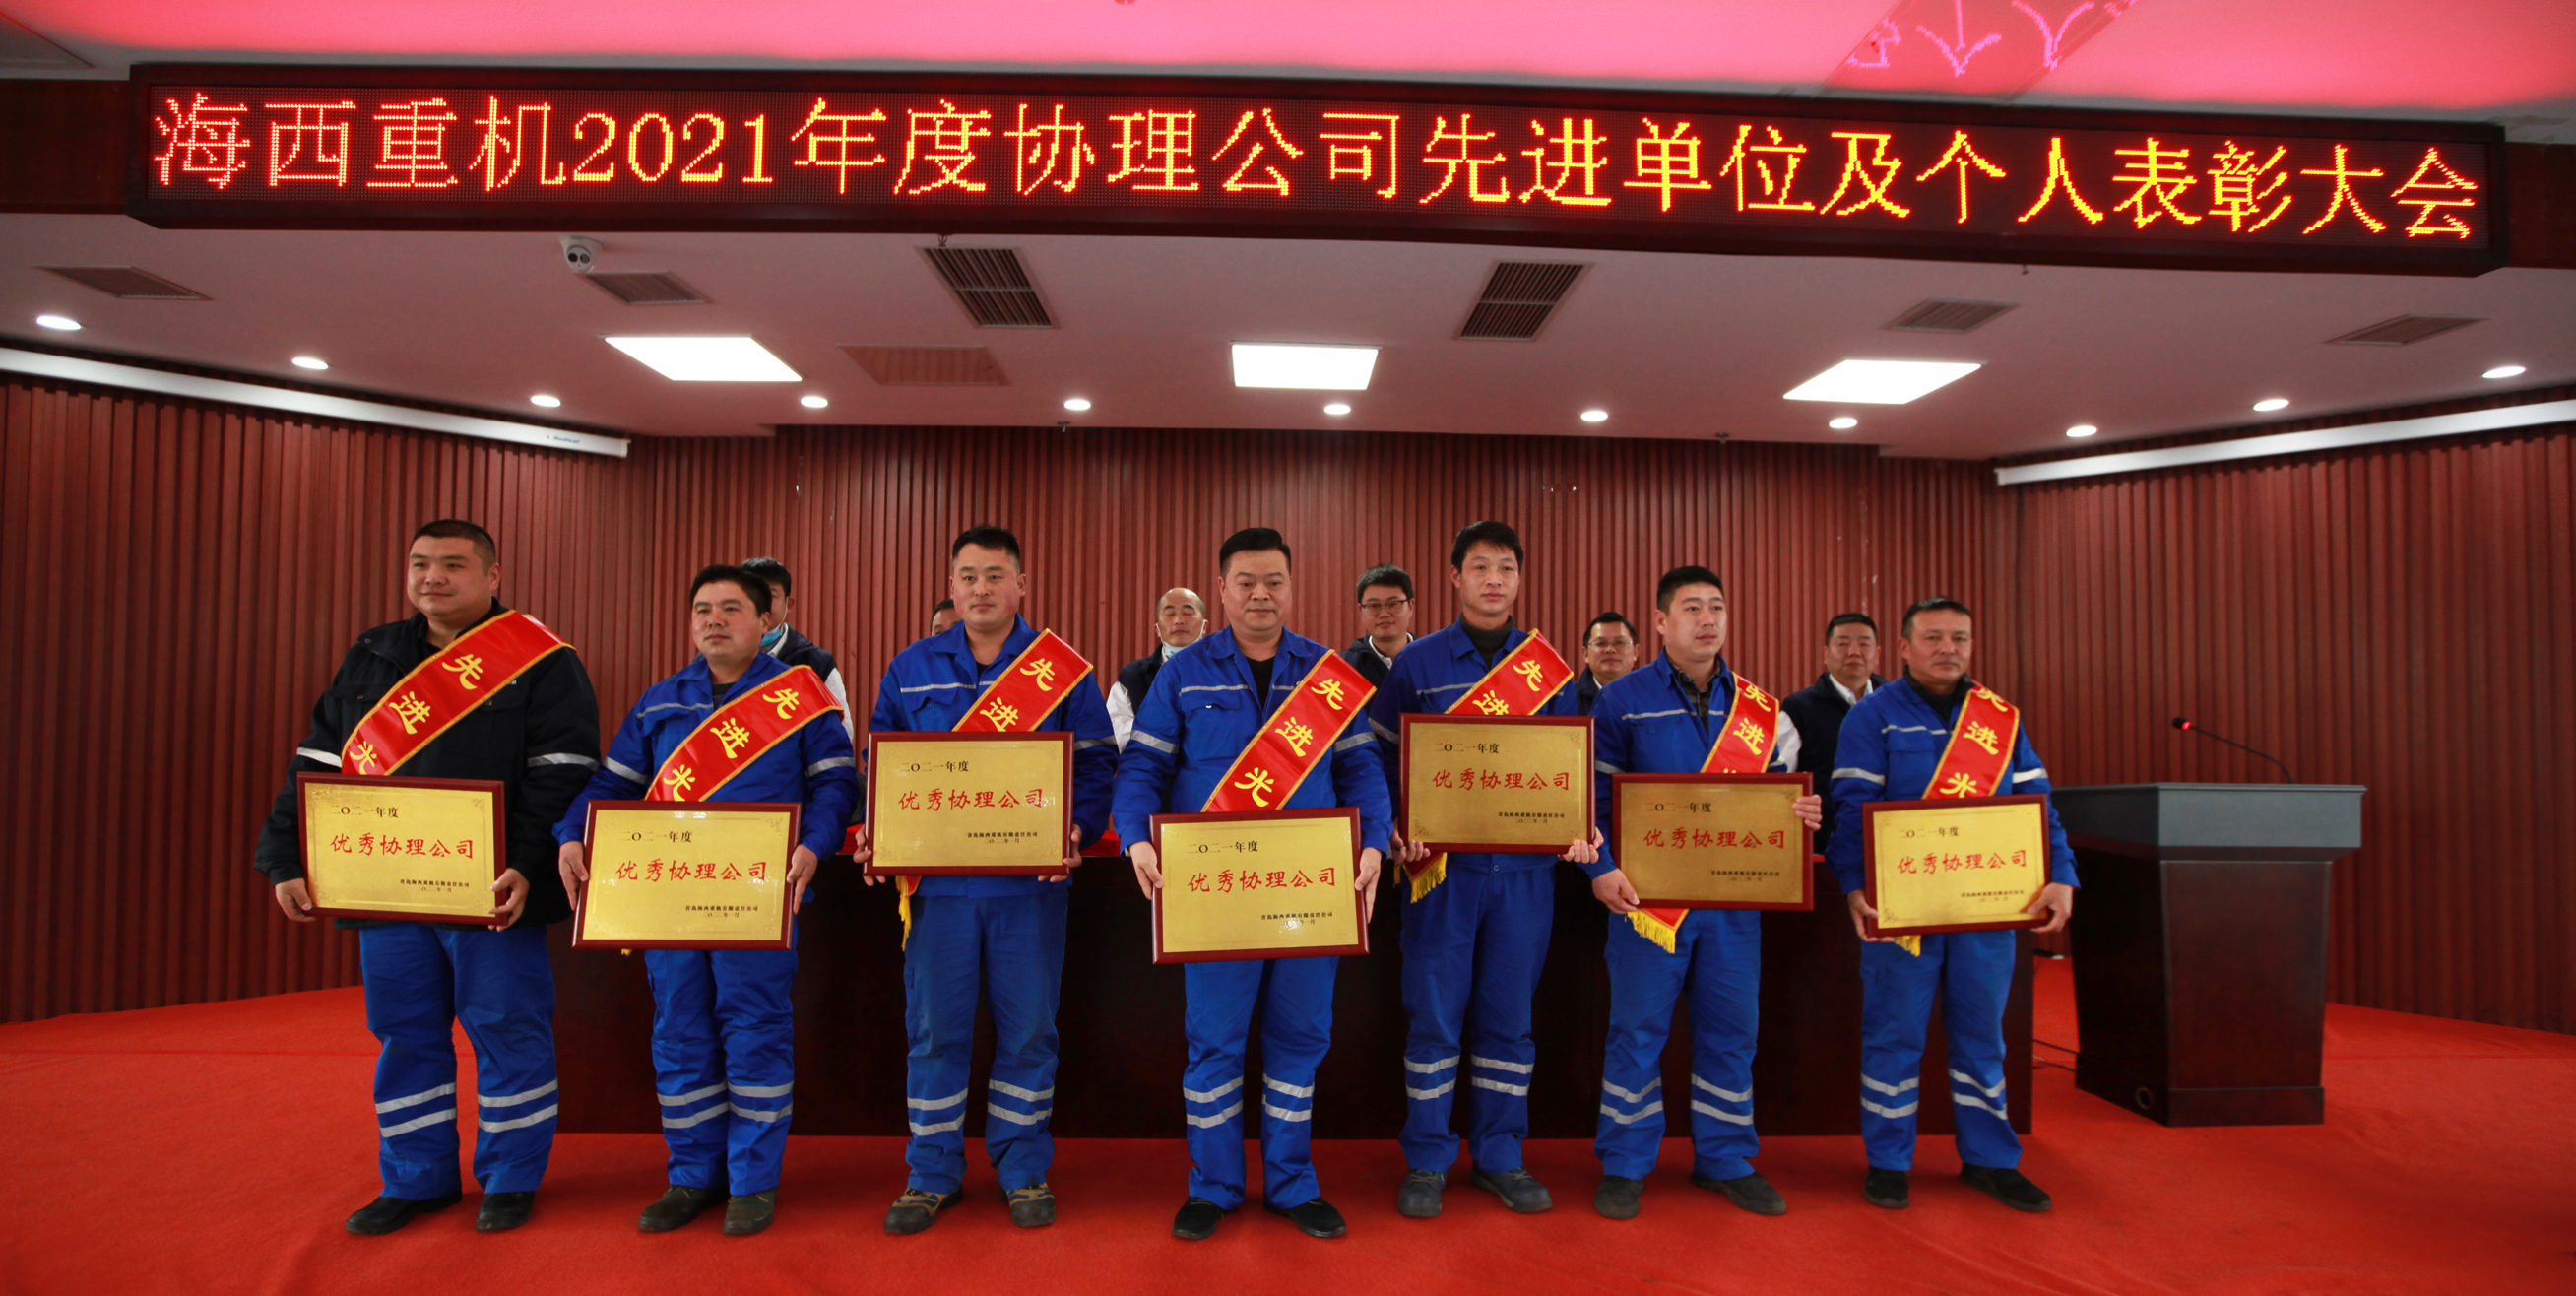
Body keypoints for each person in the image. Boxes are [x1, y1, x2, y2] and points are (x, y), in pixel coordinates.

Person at [252, 519, 600, 1236]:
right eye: (419, 564)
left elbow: (563, 775)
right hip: (388, 886)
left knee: (507, 1030)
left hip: (494, 892)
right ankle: (416, 1178)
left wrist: (526, 863)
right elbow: (319, 763)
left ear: (492, 576)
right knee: (404, 1032)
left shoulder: (542, 660)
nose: (432, 578)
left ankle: (511, 1178)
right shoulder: (372, 654)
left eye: (452, 564)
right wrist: (285, 855)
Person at [553, 565, 859, 1237]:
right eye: (702, 610)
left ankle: (752, 1180)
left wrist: (816, 843)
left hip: (759, 897)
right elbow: (613, 783)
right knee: (680, 1031)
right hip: (671, 896)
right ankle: (692, 1176)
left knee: (755, 1031)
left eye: (730, 608)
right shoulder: (660, 701)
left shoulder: (800, 698)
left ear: (764, 621)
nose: (714, 620)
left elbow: (838, 785)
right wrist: (572, 832)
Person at [1115, 527, 1391, 1242]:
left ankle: (1293, 1182)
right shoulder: (1184, 674)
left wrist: (1372, 844)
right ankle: (1213, 1186)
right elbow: (1142, 766)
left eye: (1273, 581)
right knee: (1215, 1040)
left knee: (1301, 1037)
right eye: (1245, 582)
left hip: (1309, 887)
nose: (1260, 594)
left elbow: (1361, 769)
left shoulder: (1327, 674)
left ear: (1291, 588)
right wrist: (1137, 835)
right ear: (1223, 589)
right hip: (1217, 890)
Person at [864, 526, 1117, 1235]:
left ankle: (1022, 1165)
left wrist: (1076, 826)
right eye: (969, 576)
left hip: (1028, 889)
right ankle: (930, 1173)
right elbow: (879, 763)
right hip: (938, 892)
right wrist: (882, 830)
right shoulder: (911, 668)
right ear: (952, 586)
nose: (981, 588)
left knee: (1029, 1031)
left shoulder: (1060, 671)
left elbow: (1098, 762)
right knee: (935, 1033)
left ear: (1021, 585)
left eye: (995, 575)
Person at [1371, 520, 1598, 1218]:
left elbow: (1571, 766)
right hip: (1441, 873)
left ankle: (1500, 1155)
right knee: (1434, 1019)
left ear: (1520, 579)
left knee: (1509, 1020)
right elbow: (1378, 758)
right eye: (1479, 567)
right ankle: (1428, 1158)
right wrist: (1395, 823)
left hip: (1526, 875)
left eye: (1505, 567)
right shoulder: (1418, 664)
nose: (1493, 579)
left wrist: (1579, 824)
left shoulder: (1547, 669)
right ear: (1456, 577)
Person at [1580, 567, 1822, 1220]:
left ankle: (1727, 1159)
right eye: (1691, 608)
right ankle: (1626, 1163)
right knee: (1636, 1034)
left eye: (1716, 606)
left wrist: (1801, 817)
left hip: (1733, 906)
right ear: (1661, 623)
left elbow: (1782, 798)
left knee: (1731, 1034)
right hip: (1645, 904)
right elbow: (1590, 801)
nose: (1707, 618)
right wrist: (1600, 868)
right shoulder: (1622, 701)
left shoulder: (1762, 711)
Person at [1829, 597, 2077, 1214]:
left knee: (1982, 1039)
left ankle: (1991, 1160)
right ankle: (1889, 1162)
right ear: (1904, 648)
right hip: (1903, 912)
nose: (1948, 649)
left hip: (1984, 912)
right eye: (1933, 637)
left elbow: (2038, 806)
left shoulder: (1999, 719)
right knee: (1893, 1038)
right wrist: (1854, 885)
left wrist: (2061, 875)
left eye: (1959, 638)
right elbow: (1851, 810)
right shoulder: (1873, 716)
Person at [1780, 613, 1886, 856]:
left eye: (1864, 644)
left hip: (1887, 845)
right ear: (1826, 654)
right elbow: (1779, 784)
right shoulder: (1799, 709)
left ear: (1878, 654)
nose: (1854, 651)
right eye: (1843, 643)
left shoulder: (1895, 704)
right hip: (1824, 849)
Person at [740, 555, 854, 734]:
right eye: (750, 595)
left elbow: (841, 731)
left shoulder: (815, 663)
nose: (759, 604)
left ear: (788, 604)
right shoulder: (711, 661)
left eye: (770, 596)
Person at [1108, 587, 1208, 750]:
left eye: (1188, 613)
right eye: (1169, 614)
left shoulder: (1226, 671)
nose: (1178, 620)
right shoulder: (1133, 676)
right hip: (1151, 764)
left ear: (1204, 626)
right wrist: (1171, 726)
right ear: (1157, 629)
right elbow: (1116, 732)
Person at [1343, 564, 1416, 686]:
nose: (1384, 614)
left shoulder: (1433, 660)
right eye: (1373, 605)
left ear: (1410, 606)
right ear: (1361, 610)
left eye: (1393, 604)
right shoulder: (1343, 668)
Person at [1574, 612, 1640, 716]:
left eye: (1620, 642)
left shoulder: (1655, 695)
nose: (1610, 649)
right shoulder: (1567, 699)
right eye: (1601, 643)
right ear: (1585, 654)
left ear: (1635, 652)